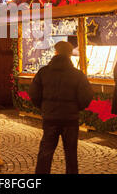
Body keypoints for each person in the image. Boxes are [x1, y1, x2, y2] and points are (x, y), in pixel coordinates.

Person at [29, 41, 93, 174]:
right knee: (71, 153)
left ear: (56, 52)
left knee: (46, 152)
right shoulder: (77, 74)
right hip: (70, 119)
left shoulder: (44, 72)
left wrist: (44, 107)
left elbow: (34, 93)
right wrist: (77, 108)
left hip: (50, 118)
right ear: (70, 55)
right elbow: (86, 95)